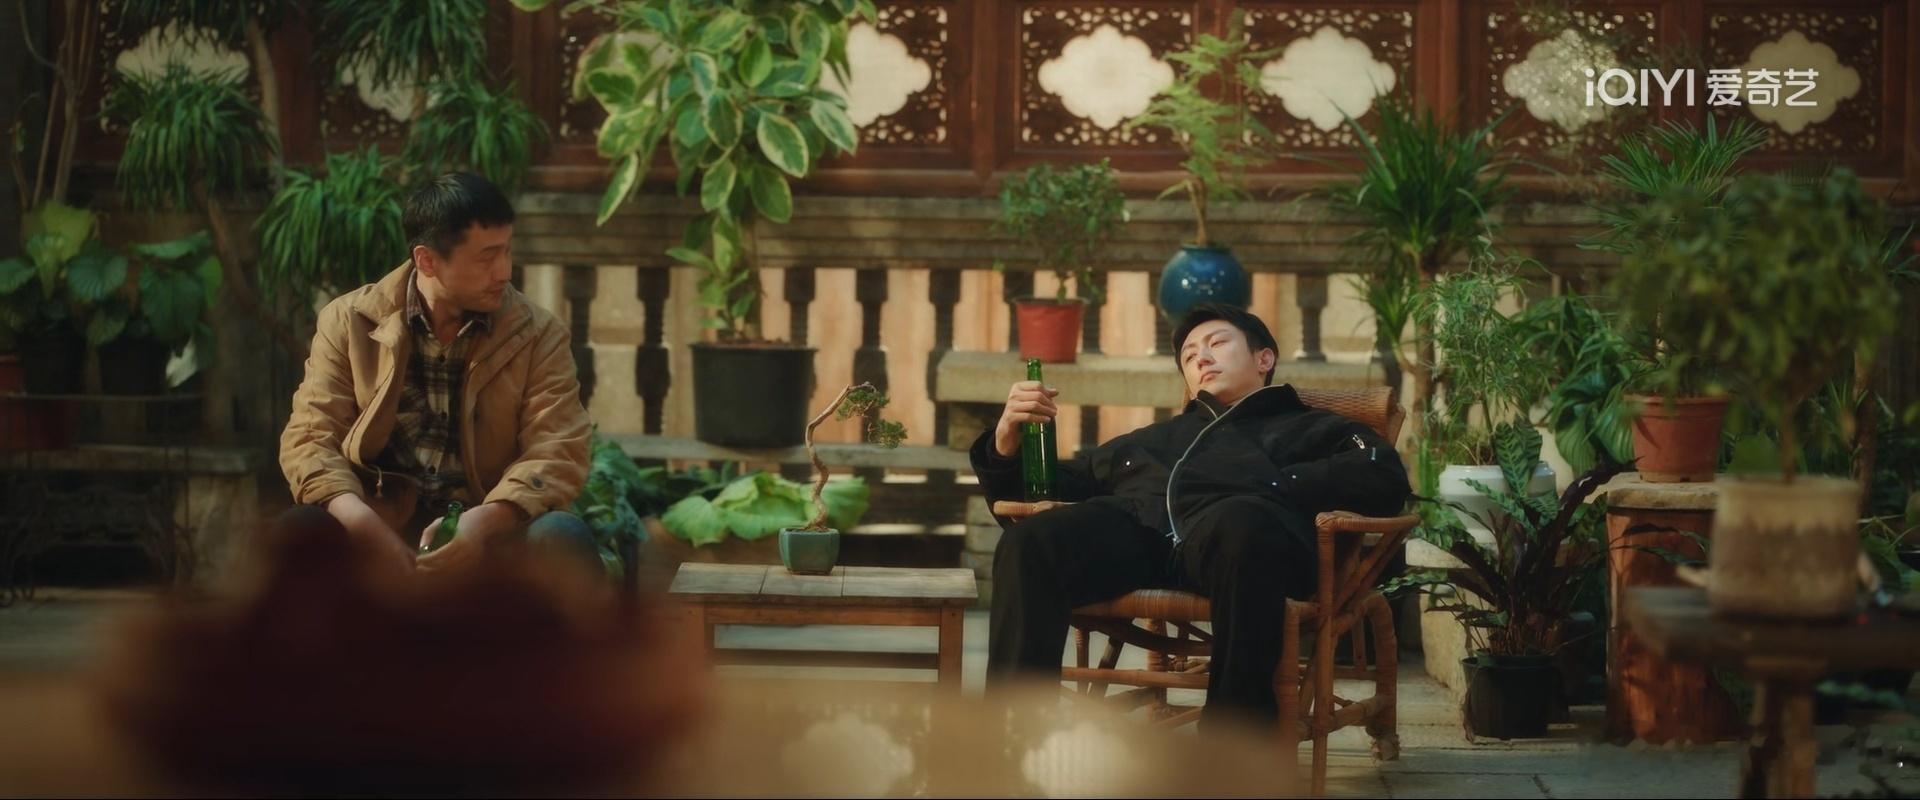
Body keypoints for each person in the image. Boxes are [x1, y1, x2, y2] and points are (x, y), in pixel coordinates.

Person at [971, 303, 1410, 730]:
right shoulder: (1151, 440)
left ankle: (1233, 746)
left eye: (1217, 343)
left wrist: (1275, 485)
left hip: (1239, 544)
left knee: (1243, 523)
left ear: (1264, 359)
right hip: (1137, 535)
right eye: (1189, 355)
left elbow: (1382, 473)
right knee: (1031, 541)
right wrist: (1005, 440)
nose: (1201, 357)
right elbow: (1049, 487)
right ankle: (1014, 734)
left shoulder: (1313, 427)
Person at [276, 172, 599, 576]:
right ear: (426, 260)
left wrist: (485, 521)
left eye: (507, 251)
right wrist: (362, 524)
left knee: (561, 535)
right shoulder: (349, 321)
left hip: (488, 527)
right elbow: (310, 437)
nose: (504, 272)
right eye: (486, 258)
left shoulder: (538, 334)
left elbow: (558, 448)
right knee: (300, 530)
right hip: (380, 521)